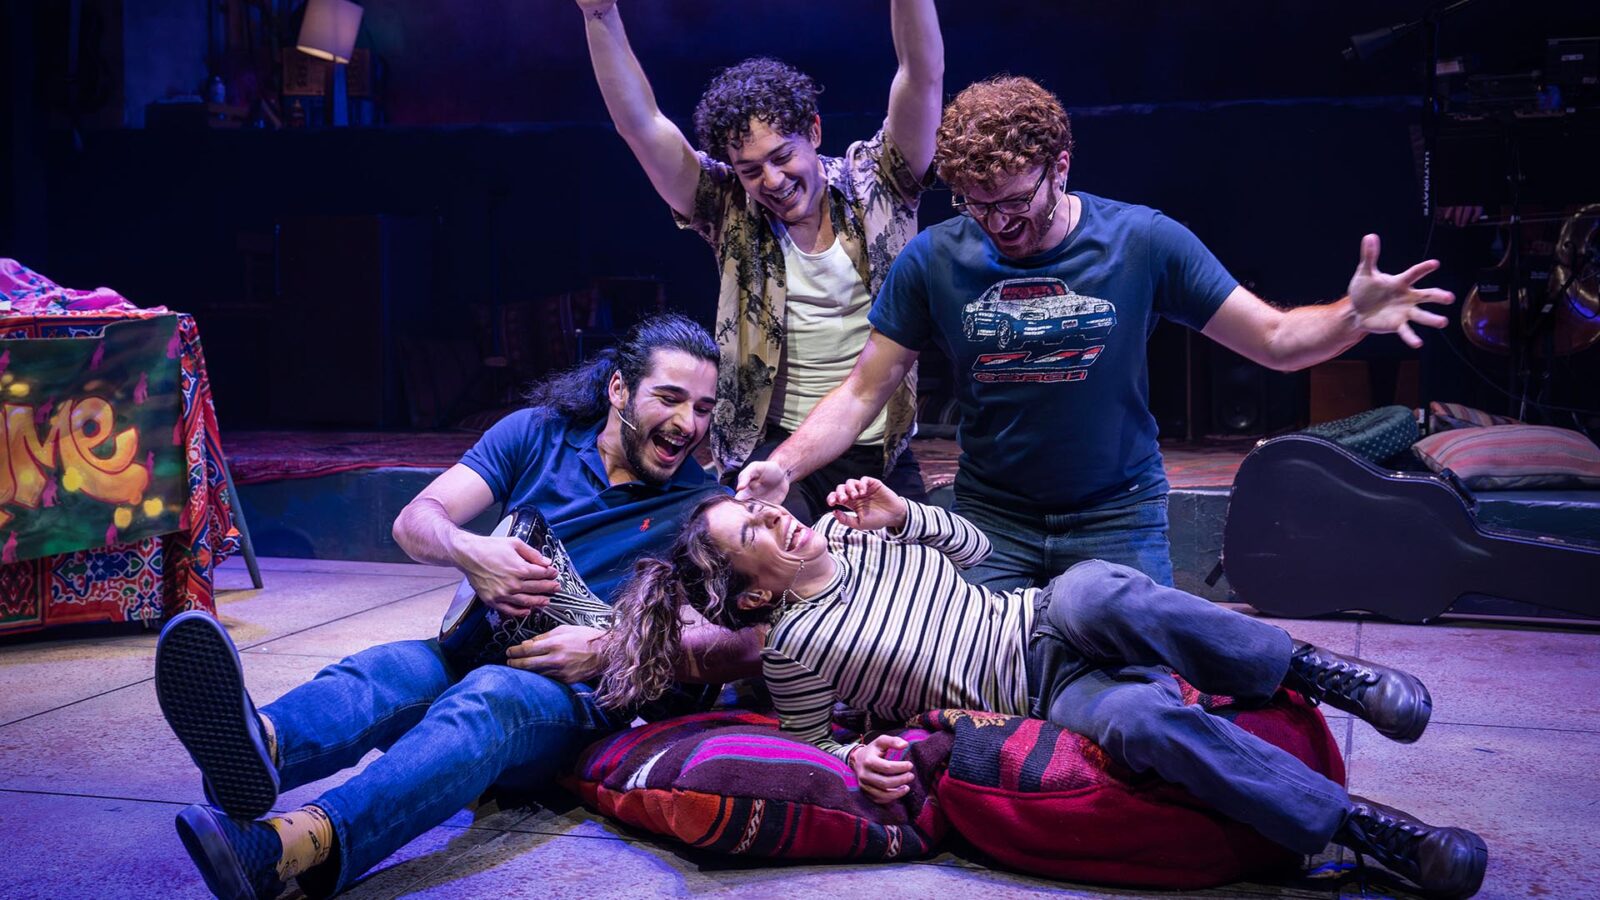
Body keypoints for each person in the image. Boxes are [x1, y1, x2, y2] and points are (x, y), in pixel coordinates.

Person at [597, 477, 1487, 900]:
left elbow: (979, 553)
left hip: (1046, 619)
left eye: (759, 505)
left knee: (1093, 588)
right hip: (1046, 692)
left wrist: (907, 514)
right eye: (751, 530)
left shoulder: (859, 536)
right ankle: (1363, 829)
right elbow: (814, 741)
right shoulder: (793, 646)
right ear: (755, 593)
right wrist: (857, 755)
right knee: (1143, 725)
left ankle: (1320, 673)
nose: (772, 514)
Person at [737, 76, 1457, 589]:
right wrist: (786, 465)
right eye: (977, 205)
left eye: (1015, 201)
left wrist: (1352, 315)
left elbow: (1273, 339)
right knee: (981, 691)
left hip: (1117, 517)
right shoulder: (934, 258)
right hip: (992, 522)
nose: (998, 223)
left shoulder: (1143, 241)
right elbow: (863, 391)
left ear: (1061, 166)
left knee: (1136, 683)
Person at [155, 314, 759, 900]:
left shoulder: (703, 507)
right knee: (385, 670)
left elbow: (751, 644)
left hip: (575, 699)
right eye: (670, 399)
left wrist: (612, 646)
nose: (687, 424)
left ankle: (285, 848)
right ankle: (257, 746)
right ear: (619, 389)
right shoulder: (537, 433)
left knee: (491, 696)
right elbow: (416, 520)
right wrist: (470, 551)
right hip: (475, 646)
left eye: (703, 409)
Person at [576, 0, 944, 523]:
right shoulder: (727, 205)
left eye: (782, 157)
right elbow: (641, 125)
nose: (771, 181)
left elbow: (921, 76)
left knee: (916, 566)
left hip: (879, 448)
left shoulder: (882, 181)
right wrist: (599, 14)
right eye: (750, 170)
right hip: (767, 447)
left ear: (814, 131)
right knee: (772, 565)